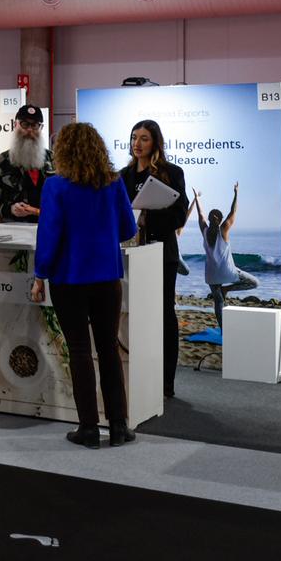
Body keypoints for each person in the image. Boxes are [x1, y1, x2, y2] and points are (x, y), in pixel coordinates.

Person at [31, 122, 138, 450]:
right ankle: (118, 426)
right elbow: (128, 229)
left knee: (79, 351)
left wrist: (40, 274)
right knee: (108, 349)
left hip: (69, 278)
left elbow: (49, 235)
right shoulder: (114, 183)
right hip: (107, 277)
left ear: (62, 150)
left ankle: (88, 428)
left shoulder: (55, 186)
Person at [118, 119, 188, 396]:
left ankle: (166, 381)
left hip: (161, 254)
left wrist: (149, 217)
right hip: (128, 255)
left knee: (163, 314)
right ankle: (137, 375)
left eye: (144, 138)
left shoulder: (172, 173)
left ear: (155, 142)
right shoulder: (122, 176)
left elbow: (179, 215)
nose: (137, 143)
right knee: (130, 314)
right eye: (134, 137)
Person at [195, 183, 258, 330]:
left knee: (218, 302)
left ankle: (223, 330)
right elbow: (233, 211)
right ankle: (227, 289)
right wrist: (236, 193)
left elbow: (200, 214)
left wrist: (197, 198)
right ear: (221, 219)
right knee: (254, 283)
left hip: (211, 275)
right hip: (228, 272)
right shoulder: (224, 229)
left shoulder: (204, 231)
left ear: (210, 219)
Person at [0, 103, 54, 222]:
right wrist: (9, 209)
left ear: (41, 128)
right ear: (15, 125)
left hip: (50, 228)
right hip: (13, 231)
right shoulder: (0, 163)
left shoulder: (54, 160)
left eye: (35, 125)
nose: (29, 130)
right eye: (25, 124)